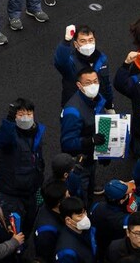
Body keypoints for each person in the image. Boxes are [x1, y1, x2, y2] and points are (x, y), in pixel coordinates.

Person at [0, 98, 45, 237]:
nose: (26, 118)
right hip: (12, 194)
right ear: (14, 116)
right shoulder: (9, 136)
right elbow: (4, 139)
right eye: (21, 114)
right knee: (12, 231)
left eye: (29, 114)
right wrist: (10, 119)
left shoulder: (37, 133)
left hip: (32, 191)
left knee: (29, 224)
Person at [60, 69, 106, 203]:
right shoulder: (72, 112)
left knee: (90, 192)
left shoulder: (98, 100)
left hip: (92, 157)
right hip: (79, 164)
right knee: (80, 197)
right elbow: (67, 143)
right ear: (79, 85)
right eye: (88, 82)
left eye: (95, 81)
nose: (93, 85)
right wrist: (90, 141)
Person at [90, 179, 140, 257]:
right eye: (127, 194)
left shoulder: (96, 206)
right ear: (121, 201)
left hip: (103, 242)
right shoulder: (122, 220)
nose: (130, 194)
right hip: (120, 251)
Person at [54, 25, 114, 111]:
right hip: (75, 108)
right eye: (83, 41)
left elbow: (106, 84)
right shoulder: (70, 61)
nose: (88, 44)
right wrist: (66, 41)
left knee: (104, 125)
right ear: (75, 44)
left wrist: (109, 106)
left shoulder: (102, 59)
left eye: (90, 40)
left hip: (98, 107)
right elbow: (60, 62)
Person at [53, 196, 96, 263]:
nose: (85, 217)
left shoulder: (84, 229)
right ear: (68, 220)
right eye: (80, 215)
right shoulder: (67, 253)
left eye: (85, 212)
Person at [34, 181, 67, 263]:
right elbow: (45, 256)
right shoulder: (47, 231)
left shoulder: (48, 206)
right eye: (67, 196)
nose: (70, 197)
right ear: (59, 203)